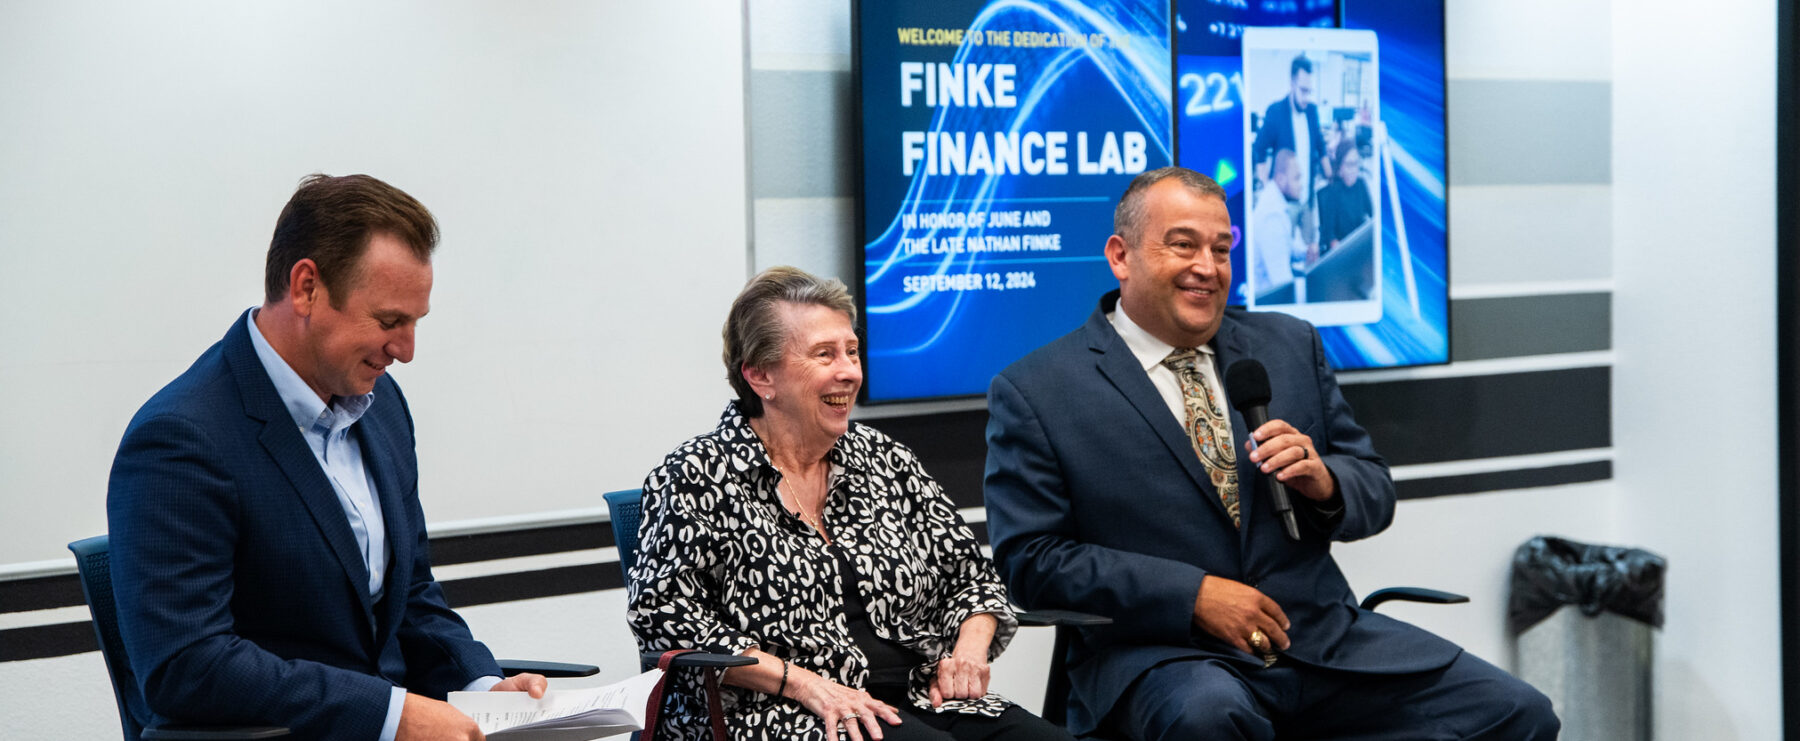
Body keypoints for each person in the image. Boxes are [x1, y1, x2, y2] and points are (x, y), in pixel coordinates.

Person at [983, 167, 1560, 740]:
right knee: (1210, 718)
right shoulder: (1039, 390)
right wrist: (1193, 596)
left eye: (1221, 248)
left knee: (1518, 712)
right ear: (1121, 255)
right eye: (1182, 245)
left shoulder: (1287, 344)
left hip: (1323, 642)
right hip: (1169, 659)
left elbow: (1373, 489)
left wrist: (1324, 482)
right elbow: (1032, 561)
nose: (1207, 268)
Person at [108, 174, 547, 740]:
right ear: (307, 288)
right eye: (390, 322)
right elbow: (186, 665)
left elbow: (410, 596)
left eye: (416, 323)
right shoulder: (181, 438)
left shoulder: (379, 405)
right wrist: (390, 715)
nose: (407, 351)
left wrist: (482, 688)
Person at [627, 267, 1071, 741]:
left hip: (918, 695)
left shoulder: (883, 458)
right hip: (779, 713)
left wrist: (968, 652)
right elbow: (666, 622)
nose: (849, 371)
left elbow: (970, 577)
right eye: (824, 355)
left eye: (852, 351)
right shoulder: (696, 475)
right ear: (760, 375)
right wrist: (805, 685)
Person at [1250, 54, 1325, 194]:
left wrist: (1331, 177)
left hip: (1307, 195)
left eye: (1310, 91)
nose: (1307, 98)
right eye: (1303, 91)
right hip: (1284, 199)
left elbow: (1321, 146)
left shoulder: (1312, 111)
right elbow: (1259, 150)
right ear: (1292, 83)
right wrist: (1268, 190)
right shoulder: (1276, 112)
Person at [1249, 148, 1309, 295]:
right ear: (1281, 179)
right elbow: (1283, 284)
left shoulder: (1275, 203)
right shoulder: (1271, 217)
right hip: (1267, 302)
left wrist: (1306, 252)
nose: (1301, 185)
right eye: (1297, 178)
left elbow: (1285, 244)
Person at [1317, 139, 1375, 256]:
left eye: (1356, 163)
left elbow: (1374, 216)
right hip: (1342, 253)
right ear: (1340, 166)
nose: (1353, 170)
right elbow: (1330, 237)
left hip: (1360, 248)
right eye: (1349, 164)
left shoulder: (1361, 185)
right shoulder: (1332, 193)